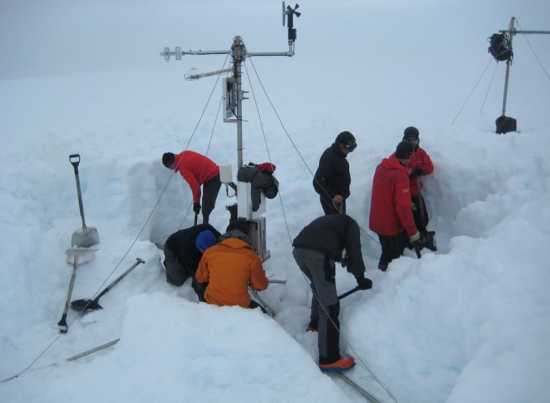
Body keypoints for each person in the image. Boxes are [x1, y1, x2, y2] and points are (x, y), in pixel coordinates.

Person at [292, 214, 372, 372]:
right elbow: (354, 251)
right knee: (330, 305)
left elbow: (334, 247)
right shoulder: (352, 226)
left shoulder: (331, 223)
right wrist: (360, 277)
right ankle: (329, 358)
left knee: (319, 287)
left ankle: (315, 325)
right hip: (317, 255)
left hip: (299, 251)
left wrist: (343, 259)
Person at [369, 141, 423, 271]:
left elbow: (388, 191)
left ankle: (382, 275)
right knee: (394, 260)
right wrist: (413, 232)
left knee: (386, 252)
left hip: (377, 221)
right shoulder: (400, 176)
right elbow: (403, 208)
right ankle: (388, 284)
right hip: (390, 226)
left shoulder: (382, 167)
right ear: (408, 156)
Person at [195, 222, 268, 309]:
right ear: (246, 236)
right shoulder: (252, 257)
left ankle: (203, 308)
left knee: (197, 283)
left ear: (227, 233)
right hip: (239, 306)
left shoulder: (210, 252)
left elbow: (200, 278)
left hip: (212, 302)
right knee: (265, 316)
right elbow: (261, 285)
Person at [162, 150, 221, 224]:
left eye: (170, 168)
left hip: (213, 177)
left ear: (171, 165)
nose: (172, 170)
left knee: (206, 208)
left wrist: (196, 203)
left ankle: (205, 227)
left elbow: (195, 188)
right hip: (213, 170)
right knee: (205, 207)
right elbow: (197, 167)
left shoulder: (183, 168)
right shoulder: (185, 153)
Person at [163, 224, 221, 298]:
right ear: (200, 249)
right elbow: (198, 278)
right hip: (172, 247)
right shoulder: (188, 252)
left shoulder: (213, 232)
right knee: (177, 280)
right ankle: (169, 263)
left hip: (187, 242)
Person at [402, 126, 436, 251]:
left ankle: (422, 236)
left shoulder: (421, 153)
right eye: (409, 140)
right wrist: (409, 172)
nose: (412, 142)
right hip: (404, 193)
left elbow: (430, 167)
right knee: (410, 217)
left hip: (416, 191)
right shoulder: (401, 151)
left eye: (414, 140)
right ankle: (411, 239)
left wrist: (420, 170)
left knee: (423, 217)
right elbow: (397, 168)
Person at [313, 131, 357, 215]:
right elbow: (317, 182)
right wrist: (333, 196)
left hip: (339, 199)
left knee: (340, 222)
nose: (349, 152)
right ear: (341, 145)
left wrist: (343, 195)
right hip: (332, 202)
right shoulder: (329, 158)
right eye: (349, 149)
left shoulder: (339, 157)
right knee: (336, 225)